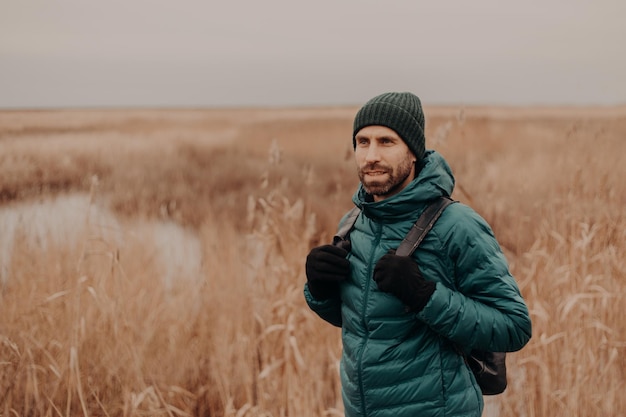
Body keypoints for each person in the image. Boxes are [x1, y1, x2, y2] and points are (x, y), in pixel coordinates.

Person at [304, 92, 532, 417]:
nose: (371, 156)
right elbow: (370, 323)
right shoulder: (354, 222)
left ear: (413, 151)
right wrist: (320, 291)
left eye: (386, 142)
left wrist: (424, 295)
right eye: (362, 141)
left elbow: (514, 327)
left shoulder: (457, 225)